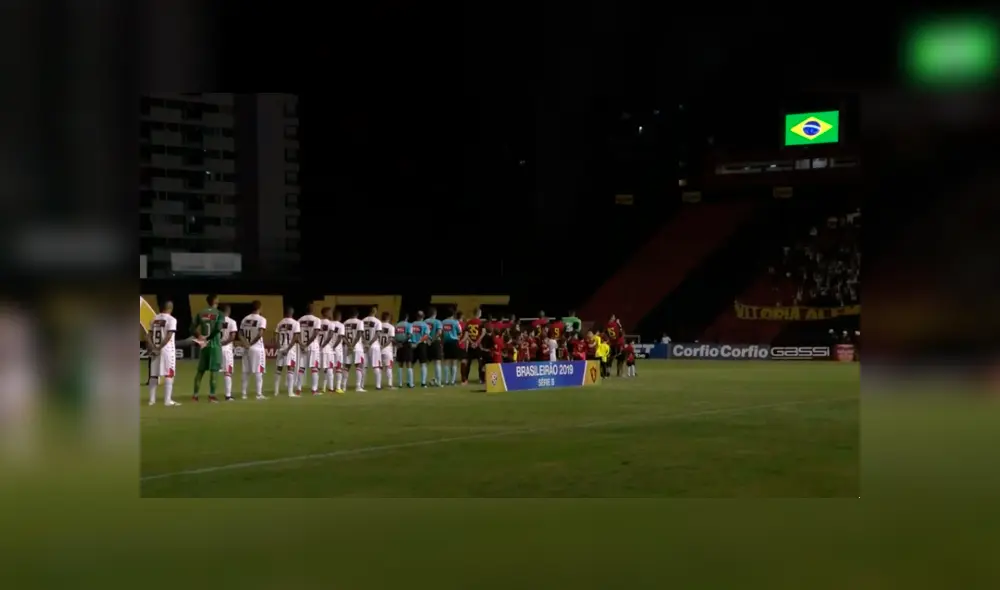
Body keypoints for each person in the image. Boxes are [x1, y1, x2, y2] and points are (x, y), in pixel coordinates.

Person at [191, 294, 226, 403]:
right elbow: (218, 328)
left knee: (200, 371)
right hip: (214, 346)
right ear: (215, 301)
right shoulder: (220, 314)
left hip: (204, 346)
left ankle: (195, 396)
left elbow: (191, 328)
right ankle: (212, 396)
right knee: (214, 371)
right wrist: (208, 338)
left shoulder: (201, 313)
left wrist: (200, 337)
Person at [147, 300, 181, 406]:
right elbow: (169, 335)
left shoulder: (154, 319)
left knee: (153, 375)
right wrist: (159, 348)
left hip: (155, 349)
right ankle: (167, 401)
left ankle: (151, 400)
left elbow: (148, 335)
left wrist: (153, 347)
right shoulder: (172, 320)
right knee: (169, 374)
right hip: (167, 350)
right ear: (171, 308)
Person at [238, 300, 268, 400]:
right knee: (259, 371)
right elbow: (260, 334)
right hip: (257, 348)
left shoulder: (245, 319)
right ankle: (259, 394)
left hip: (246, 348)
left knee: (246, 371)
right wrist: (250, 344)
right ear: (260, 308)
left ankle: (243, 394)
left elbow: (240, 334)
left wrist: (245, 343)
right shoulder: (262, 319)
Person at [273, 308, 300, 396]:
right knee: (290, 369)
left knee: (278, 369)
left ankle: (276, 391)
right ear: (292, 313)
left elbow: (275, 335)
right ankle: (290, 392)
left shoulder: (280, 323)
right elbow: (295, 337)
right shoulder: (295, 323)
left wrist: (279, 347)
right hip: (290, 349)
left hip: (281, 348)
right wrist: (288, 349)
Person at [296, 304, 322, 396]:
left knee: (301, 368)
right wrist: (307, 344)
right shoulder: (317, 320)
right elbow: (315, 334)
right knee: (314, 368)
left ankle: (298, 389)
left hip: (302, 346)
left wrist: (301, 344)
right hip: (313, 346)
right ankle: (314, 390)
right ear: (312, 310)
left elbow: (297, 334)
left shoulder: (299, 320)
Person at [218, 305, 239, 401]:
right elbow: (232, 337)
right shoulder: (232, 322)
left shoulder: (216, 321)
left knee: (215, 371)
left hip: (216, 348)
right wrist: (223, 343)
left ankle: (212, 395)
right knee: (228, 372)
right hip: (226, 349)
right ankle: (228, 395)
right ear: (229, 311)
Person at [342, 309, 366, 392]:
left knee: (347, 366)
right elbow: (359, 335)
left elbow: (343, 336)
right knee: (359, 366)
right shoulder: (360, 322)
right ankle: (358, 387)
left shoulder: (345, 323)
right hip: (357, 347)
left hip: (347, 347)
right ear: (357, 314)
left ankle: (343, 386)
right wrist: (352, 345)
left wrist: (349, 345)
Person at [361, 307, 383, 391]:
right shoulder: (377, 321)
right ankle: (378, 386)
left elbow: (361, 333)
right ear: (375, 311)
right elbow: (377, 334)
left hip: (364, 346)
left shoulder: (363, 321)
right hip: (374, 346)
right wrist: (370, 343)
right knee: (376, 366)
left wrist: (365, 343)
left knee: (364, 366)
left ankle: (361, 385)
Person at [462, 307, 485, 384]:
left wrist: (471, 342)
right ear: (479, 314)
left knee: (468, 363)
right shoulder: (481, 323)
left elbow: (466, 335)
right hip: (478, 346)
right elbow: (483, 333)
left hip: (470, 346)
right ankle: (481, 379)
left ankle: (465, 379)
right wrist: (477, 342)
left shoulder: (468, 322)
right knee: (480, 362)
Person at [441, 309, 462, 385]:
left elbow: (441, 333)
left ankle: (446, 381)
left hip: (446, 342)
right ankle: (452, 381)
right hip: (454, 342)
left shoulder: (443, 322)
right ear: (453, 315)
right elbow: (460, 332)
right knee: (454, 362)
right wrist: (458, 337)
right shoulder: (455, 322)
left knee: (446, 362)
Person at [425, 307, 444, 386]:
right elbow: (439, 332)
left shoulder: (425, 321)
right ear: (435, 314)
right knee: (437, 362)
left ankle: (423, 381)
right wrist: (433, 340)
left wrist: (428, 340)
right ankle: (438, 382)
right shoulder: (438, 322)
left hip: (427, 342)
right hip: (435, 342)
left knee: (425, 363)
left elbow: (423, 333)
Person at [410, 311, 430, 387]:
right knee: (423, 364)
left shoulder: (412, 324)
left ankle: (410, 382)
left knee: (411, 364)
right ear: (423, 316)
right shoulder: (425, 325)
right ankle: (423, 383)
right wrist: (419, 342)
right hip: (421, 345)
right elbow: (426, 336)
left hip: (412, 345)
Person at [328, 310, 346, 393]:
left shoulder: (330, 324)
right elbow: (340, 338)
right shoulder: (341, 325)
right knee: (338, 368)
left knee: (330, 367)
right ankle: (338, 387)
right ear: (339, 317)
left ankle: (330, 387)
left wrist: (331, 347)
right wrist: (334, 346)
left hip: (329, 348)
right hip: (337, 348)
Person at [394, 313, 412, 389]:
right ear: (406, 318)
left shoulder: (396, 325)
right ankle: (410, 383)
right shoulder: (409, 325)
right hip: (406, 344)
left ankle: (400, 383)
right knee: (408, 363)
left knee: (400, 364)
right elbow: (409, 335)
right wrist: (403, 342)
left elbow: (393, 336)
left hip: (399, 345)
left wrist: (398, 343)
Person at [378, 312, 395, 389]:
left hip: (378, 349)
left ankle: (378, 384)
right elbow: (390, 339)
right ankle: (390, 384)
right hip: (387, 349)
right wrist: (383, 346)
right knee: (389, 366)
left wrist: (380, 346)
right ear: (388, 318)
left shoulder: (378, 325)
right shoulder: (391, 327)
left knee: (379, 367)